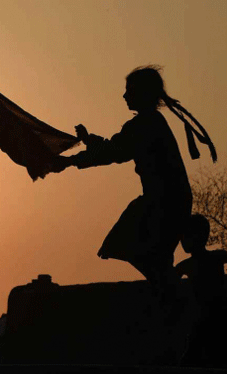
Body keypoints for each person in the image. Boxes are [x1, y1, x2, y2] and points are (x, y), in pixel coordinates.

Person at [53, 66, 216, 312]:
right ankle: (167, 292)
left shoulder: (146, 124)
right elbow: (116, 148)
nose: (124, 96)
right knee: (147, 250)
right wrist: (88, 143)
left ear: (141, 93)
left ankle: (169, 293)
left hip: (164, 201)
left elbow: (114, 151)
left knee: (130, 243)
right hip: (169, 200)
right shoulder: (150, 123)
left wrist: (74, 160)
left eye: (129, 91)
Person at [176, 214, 227, 367]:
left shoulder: (187, 265)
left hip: (212, 319)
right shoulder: (212, 258)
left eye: (185, 236)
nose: (182, 241)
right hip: (215, 318)